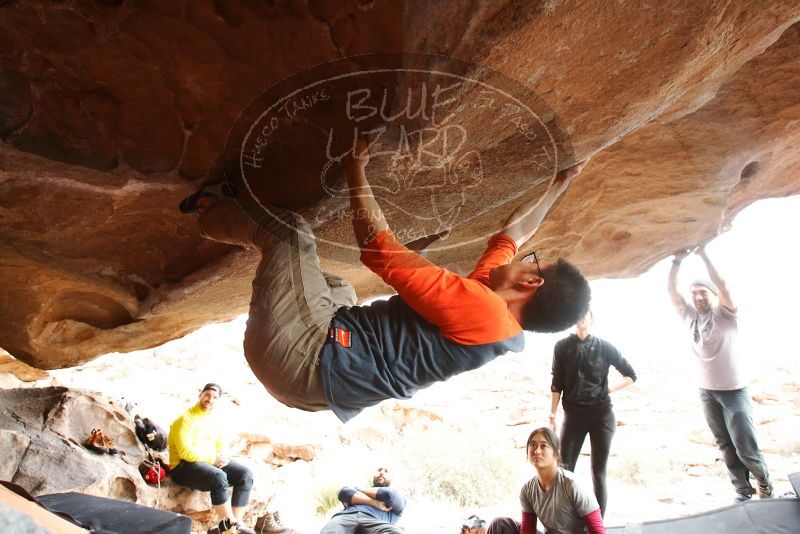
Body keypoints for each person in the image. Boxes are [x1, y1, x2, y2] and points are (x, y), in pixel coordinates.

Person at [181, 137, 591, 422]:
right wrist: (561, 184)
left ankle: (209, 210)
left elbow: (378, 249)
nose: (523, 257)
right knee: (342, 289)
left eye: (533, 262)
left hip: (302, 359)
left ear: (531, 283)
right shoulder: (493, 306)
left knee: (289, 233)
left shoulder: (481, 310)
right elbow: (514, 233)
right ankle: (278, 279)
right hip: (314, 380)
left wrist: (355, 169)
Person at [667, 245, 773, 502]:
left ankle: (764, 483)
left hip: (734, 391)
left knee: (745, 447)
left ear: (712, 295)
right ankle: (742, 491)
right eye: (694, 294)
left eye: (702, 292)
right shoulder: (689, 316)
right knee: (725, 446)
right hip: (707, 392)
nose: (698, 297)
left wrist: (703, 254)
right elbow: (671, 290)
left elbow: (722, 285)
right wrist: (677, 261)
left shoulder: (725, 315)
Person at [549, 309, 637, 516]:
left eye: (585, 314)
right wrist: (552, 415)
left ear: (592, 319)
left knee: (598, 472)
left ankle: (598, 524)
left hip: (602, 416)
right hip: (573, 417)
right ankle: (563, 521)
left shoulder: (605, 347)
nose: (581, 317)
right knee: (564, 471)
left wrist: (608, 390)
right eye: (577, 313)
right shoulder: (561, 347)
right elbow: (556, 382)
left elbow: (631, 375)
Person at [168, 383, 255, 534]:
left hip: (206, 462)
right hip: (182, 467)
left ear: (219, 400)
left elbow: (220, 444)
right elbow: (185, 452)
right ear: (200, 395)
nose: (210, 399)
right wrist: (212, 459)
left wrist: (222, 456)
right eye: (207, 395)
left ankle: (234, 524)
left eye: (215, 397)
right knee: (218, 476)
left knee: (244, 474)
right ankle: (230, 526)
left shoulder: (213, 420)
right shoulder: (185, 419)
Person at [487, 427, 605, 534]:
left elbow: (598, 531)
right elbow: (528, 531)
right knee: (500, 524)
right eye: (532, 445)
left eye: (544, 446)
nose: (537, 451)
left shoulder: (572, 485)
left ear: (556, 453)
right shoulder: (527, 490)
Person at [320, 467, 405, 534]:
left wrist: (357, 491)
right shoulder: (364, 488)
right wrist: (375, 503)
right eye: (379, 470)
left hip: (375, 521)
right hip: (346, 516)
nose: (382, 472)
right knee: (330, 531)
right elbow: (343, 492)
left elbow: (388, 494)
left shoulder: (399, 497)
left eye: (386, 471)